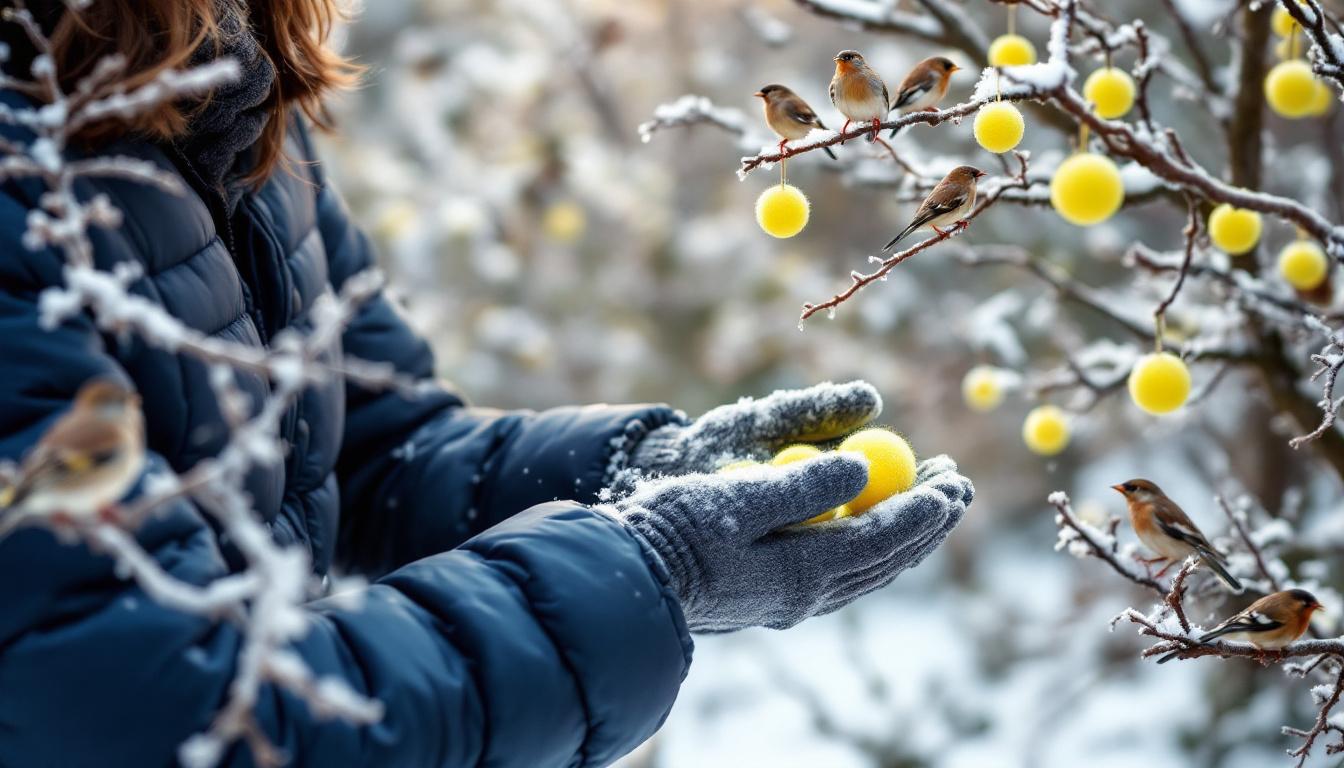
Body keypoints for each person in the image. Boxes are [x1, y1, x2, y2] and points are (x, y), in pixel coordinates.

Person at [0, 1, 972, 766]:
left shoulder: (221, 87)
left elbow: (374, 449)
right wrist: (649, 566)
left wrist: (640, 469)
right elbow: (164, 713)